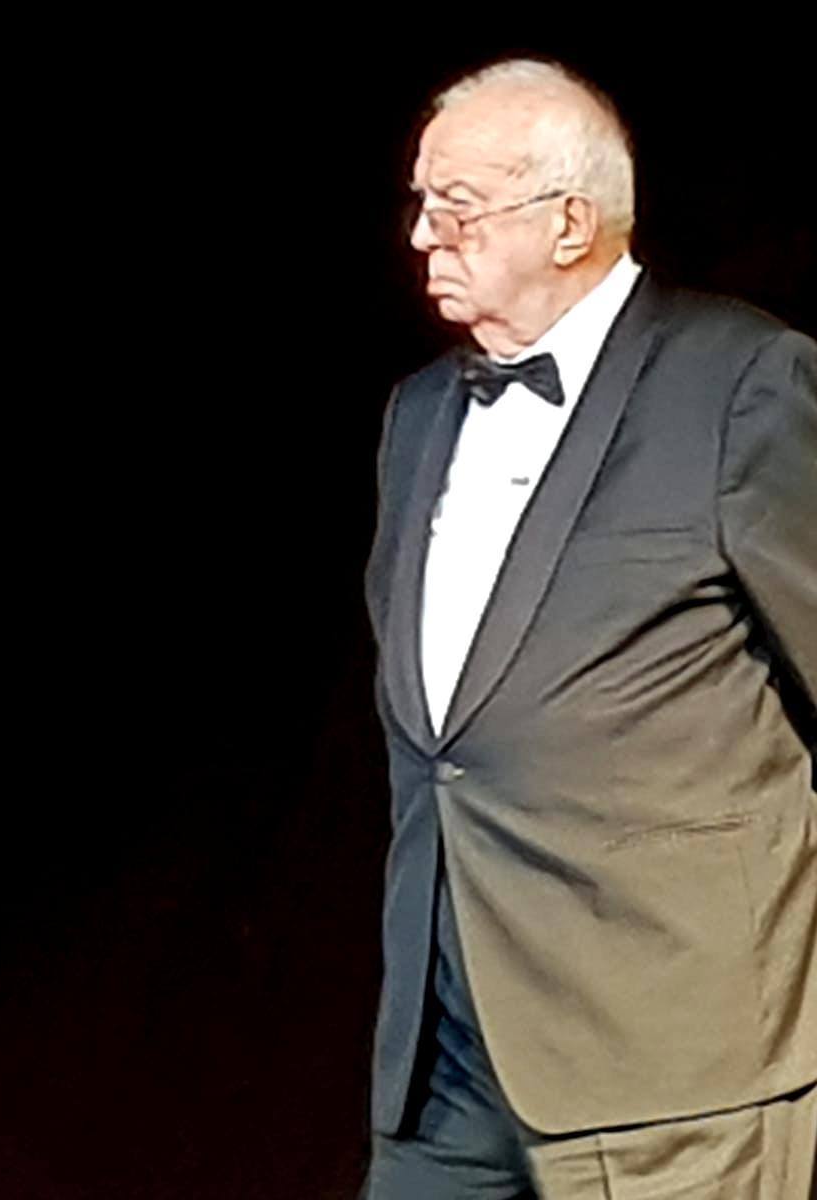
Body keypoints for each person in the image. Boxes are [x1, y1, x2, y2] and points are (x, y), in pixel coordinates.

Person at [362, 59, 816, 1197]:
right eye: (421, 202)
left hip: (672, 1061)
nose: (422, 235)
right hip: (448, 1053)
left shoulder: (740, 383)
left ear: (569, 223)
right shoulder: (419, 414)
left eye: (457, 205)